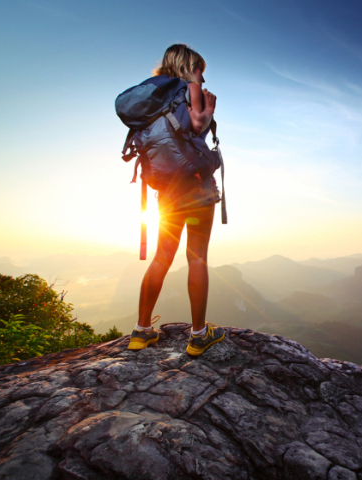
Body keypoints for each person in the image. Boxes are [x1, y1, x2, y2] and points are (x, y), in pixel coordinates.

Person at [127, 44, 225, 355]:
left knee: (162, 257)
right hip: (196, 189)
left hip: (167, 191)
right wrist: (208, 111)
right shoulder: (190, 87)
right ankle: (198, 336)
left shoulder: (152, 97)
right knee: (196, 257)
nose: (203, 80)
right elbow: (197, 125)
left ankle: (141, 332)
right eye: (201, 71)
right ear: (189, 67)